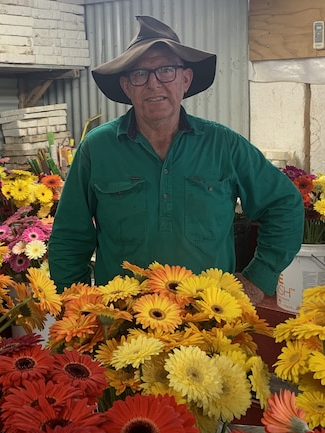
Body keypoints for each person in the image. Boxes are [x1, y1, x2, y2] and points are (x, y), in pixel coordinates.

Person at [47, 15, 303, 306]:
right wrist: (74, 306)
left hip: (210, 315)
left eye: (166, 70)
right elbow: (69, 236)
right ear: (126, 85)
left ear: (185, 79)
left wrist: (258, 279)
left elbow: (284, 205)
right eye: (140, 74)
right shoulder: (97, 148)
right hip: (122, 321)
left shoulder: (223, 144)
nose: (153, 84)